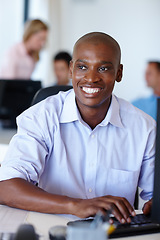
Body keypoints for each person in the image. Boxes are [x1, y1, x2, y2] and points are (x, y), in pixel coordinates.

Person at [0, 32, 155, 224]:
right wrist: (75, 205)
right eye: (82, 67)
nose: (91, 78)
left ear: (119, 73)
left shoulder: (144, 128)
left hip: (114, 234)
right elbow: (6, 187)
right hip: (50, 229)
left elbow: (154, 196)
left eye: (104, 68)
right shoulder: (41, 117)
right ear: (71, 69)